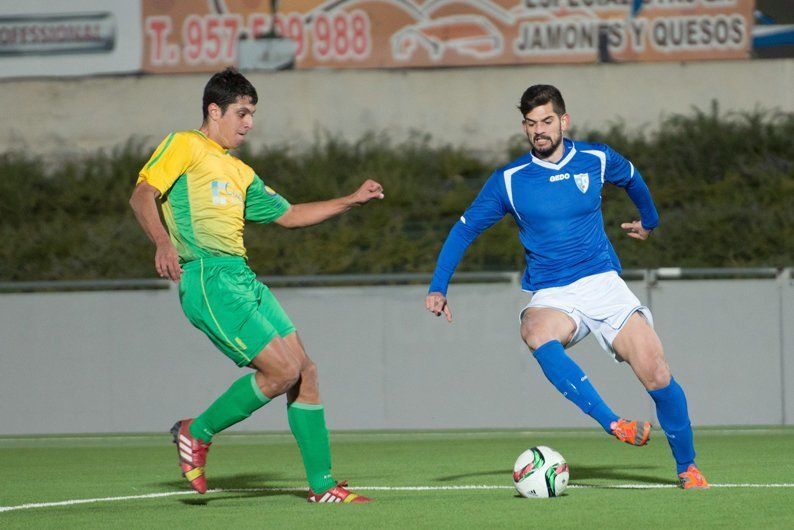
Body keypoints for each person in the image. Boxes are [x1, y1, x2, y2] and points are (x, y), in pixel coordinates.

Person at [424, 85, 708, 489]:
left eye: (546, 121)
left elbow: (632, 177)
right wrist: (439, 286)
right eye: (531, 123)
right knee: (534, 331)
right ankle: (613, 423)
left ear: (563, 120)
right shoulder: (509, 180)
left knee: (657, 373)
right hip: (554, 292)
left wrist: (650, 220)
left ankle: (688, 468)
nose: (539, 130)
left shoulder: (595, 158)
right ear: (523, 126)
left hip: (603, 282)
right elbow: (464, 229)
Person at [129, 67, 383, 503]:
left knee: (305, 370)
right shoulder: (185, 144)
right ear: (214, 110)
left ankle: (323, 487)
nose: (249, 123)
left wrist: (350, 200)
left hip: (243, 278)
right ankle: (197, 431)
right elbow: (142, 194)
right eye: (241, 113)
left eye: (252, 114)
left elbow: (289, 215)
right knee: (281, 371)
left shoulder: (240, 172)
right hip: (209, 278)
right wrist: (162, 242)